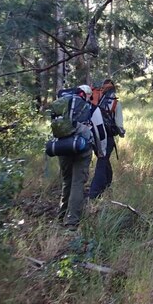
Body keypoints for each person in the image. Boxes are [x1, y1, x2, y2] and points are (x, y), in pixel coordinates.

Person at [58, 84, 107, 228]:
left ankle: (61, 216)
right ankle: (72, 221)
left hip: (63, 147)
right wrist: (101, 151)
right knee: (78, 183)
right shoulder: (91, 108)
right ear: (87, 95)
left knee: (67, 181)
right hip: (82, 149)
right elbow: (100, 132)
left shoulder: (63, 105)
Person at [89, 78, 125, 199]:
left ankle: (108, 185)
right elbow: (119, 125)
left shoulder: (92, 98)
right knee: (102, 162)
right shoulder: (114, 102)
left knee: (104, 160)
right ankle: (94, 193)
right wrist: (121, 132)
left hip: (92, 135)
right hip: (106, 137)